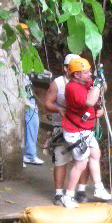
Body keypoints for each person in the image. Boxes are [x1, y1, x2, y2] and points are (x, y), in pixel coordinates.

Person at [59, 57, 111, 208]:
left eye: (90, 71)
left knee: (95, 155)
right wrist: (97, 84)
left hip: (85, 130)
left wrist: (101, 78)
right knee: (81, 163)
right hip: (76, 132)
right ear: (76, 75)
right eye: (86, 72)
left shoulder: (85, 82)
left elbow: (102, 89)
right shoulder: (73, 88)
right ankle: (67, 195)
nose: (90, 74)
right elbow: (89, 101)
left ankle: (98, 187)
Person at [43, 53, 89, 205]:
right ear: (66, 68)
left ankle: (81, 190)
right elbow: (48, 103)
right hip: (61, 125)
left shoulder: (86, 81)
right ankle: (58, 193)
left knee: (82, 158)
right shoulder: (58, 83)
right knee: (60, 159)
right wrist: (59, 110)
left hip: (81, 126)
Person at [19, 23, 44, 167]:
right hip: (14, 92)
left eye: (28, 35)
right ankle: (19, 156)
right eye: (24, 35)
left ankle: (30, 154)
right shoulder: (10, 50)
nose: (27, 38)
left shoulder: (28, 52)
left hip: (27, 93)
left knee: (33, 121)